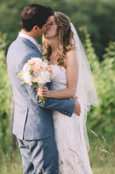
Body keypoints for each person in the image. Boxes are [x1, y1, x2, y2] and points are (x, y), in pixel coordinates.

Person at [7, 4, 81, 174]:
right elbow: (40, 98)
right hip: (37, 128)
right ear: (36, 28)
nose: (49, 27)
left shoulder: (14, 46)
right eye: (47, 24)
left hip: (23, 126)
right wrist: (72, 106)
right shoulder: (30, 55)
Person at [38, 12, 98, 174]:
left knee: (70, 158)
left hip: (66, 116)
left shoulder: (70, 54)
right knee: (55, 161)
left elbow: (71, 90)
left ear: (61, 28)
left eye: (51, 24)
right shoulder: (45, 54)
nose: (46, 27)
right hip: (50, 114)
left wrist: (47, 94)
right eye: (45, 24)